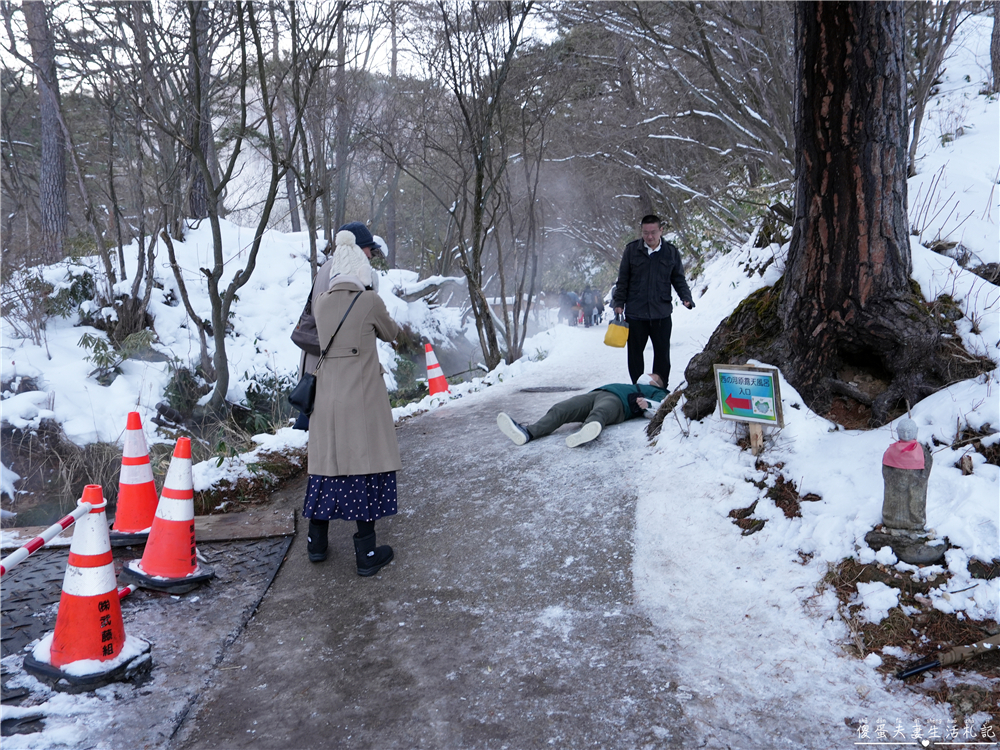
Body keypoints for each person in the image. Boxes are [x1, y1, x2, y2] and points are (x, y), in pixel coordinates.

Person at [300, 222, 400, 576]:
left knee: (327, 469)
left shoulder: (323, 301)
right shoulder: (369, 300)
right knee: (363, 468)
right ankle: (367, 554)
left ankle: (316, 544)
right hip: (361, 396)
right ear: (361, 264)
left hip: (327, 396)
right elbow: (391, 332)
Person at [612, 214, 695, 386]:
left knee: (662, 354)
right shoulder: (631, 250)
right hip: (636, 314)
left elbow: (678, 279)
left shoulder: (671, 252)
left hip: (661, 313)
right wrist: (619, 303)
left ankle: (660, 389)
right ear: (641, 231)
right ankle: (638, 389)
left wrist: (686, 297)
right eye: (645, 232)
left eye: (653, 232)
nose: (649, 236)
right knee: (635, 355)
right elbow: (623, 280)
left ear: (661, 231)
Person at [496, 374, 667, 448]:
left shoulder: (659, 392)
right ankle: (528, 432)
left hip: (618, 402)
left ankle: (588, 430)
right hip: (595, 394)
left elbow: (666, 405)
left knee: (601, 411)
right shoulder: (631, 384)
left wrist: (649, 405)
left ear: (656, 382)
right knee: (561, 408)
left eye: (653, 375)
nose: (648, 375)